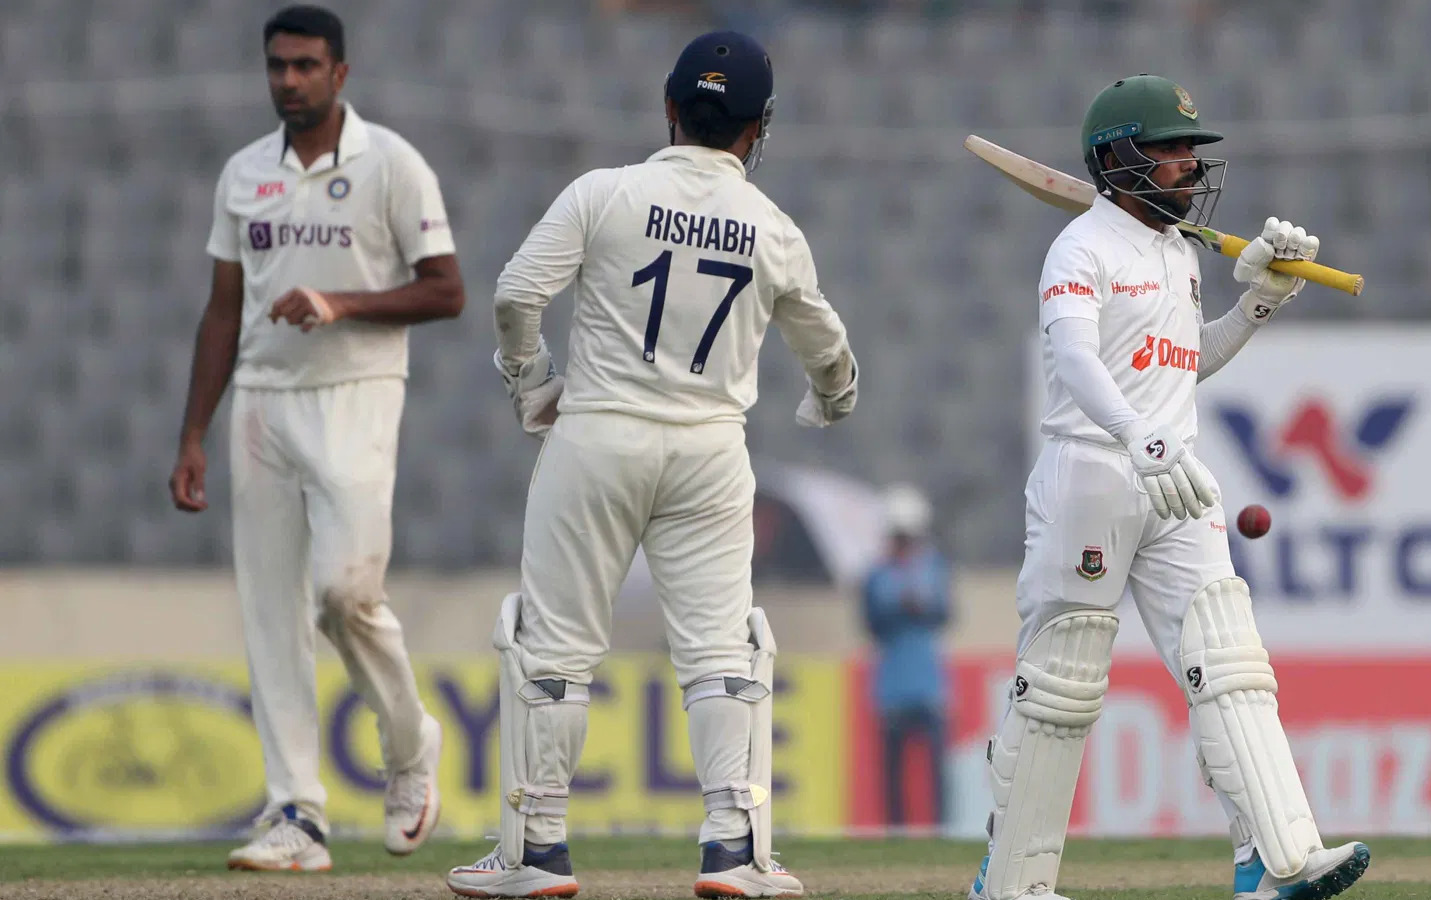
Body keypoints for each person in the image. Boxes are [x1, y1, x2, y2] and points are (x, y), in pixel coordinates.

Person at [443, 29, 857, 900]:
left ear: (670, 108)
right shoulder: (773, 228)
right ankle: (733, 851)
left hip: (598, 436)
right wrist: (828, 402)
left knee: (555, 646)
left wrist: (531, 382)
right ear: (758, 128)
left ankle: (538, 852)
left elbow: (518, 294)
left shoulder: (606, 193)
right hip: (710, 451)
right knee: (717, 653)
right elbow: (829, 349)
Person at [966, 75, 1370, 900]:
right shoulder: (1080, 249)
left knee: (1229, 658)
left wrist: (1260, 301)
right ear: (1118, 159)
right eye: (1172, 148)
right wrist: (1133, 435)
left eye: (1192, 149)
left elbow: (1186, 366)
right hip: (1091, 470)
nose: (1190, 163)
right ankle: (1011, 883)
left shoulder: (1180, 253)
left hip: (1176, 474)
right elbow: (1076, 359)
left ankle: (1278, 859)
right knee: (1062, 683)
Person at [167, 4, 462, 872]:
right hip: (261, 402)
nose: (287, 81)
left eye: (304, 66)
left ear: (340, 72)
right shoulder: (243, 173)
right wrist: (193, 434)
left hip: (356, 394)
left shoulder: (392, 165)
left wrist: (342, 304)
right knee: (269, 616)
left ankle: (410, 749)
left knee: (343, 592)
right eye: (276, 66)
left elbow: (445, 291)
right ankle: (296, 814)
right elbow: (225, 309)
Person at [861, 484, 951, 830]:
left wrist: (922, 604)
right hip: (891, 687)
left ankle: (942, 830)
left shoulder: (933, 567)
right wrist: (900, 605)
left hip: (929, 684)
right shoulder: (875, 574)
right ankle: (894, 832)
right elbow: (869, 623)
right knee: (892, 772)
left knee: (937, 770)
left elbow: (945, 613)